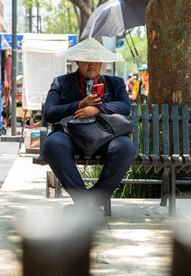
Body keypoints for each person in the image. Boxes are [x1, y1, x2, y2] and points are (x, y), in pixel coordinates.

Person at [42, 38, 136, 211]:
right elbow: (49, 112)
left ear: (101, 62)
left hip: (105, 138)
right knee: (52, 144)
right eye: (86, 60)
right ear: (77, 61)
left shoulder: (115, 83)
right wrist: (79, 104)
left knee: (126, 147)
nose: (91, 65)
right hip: (70, 137)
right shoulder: (60, 82)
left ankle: (93, 200)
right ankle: (84, 202)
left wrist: (98, 109)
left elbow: (125, 107)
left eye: (96, 60)